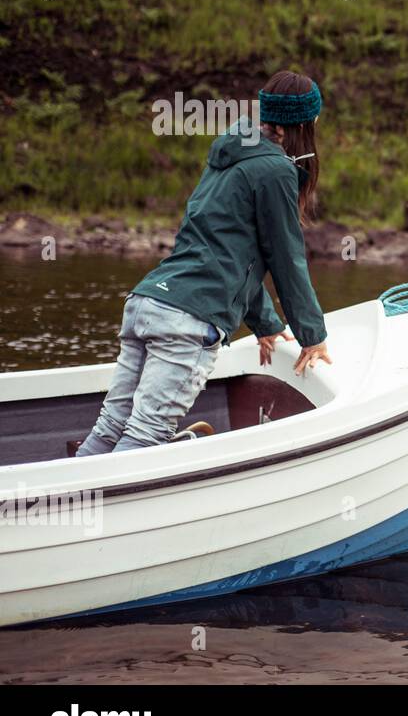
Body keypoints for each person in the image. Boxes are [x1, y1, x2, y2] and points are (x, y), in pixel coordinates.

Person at [75, 70, 332, 456]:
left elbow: (229, 253)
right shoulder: (276, 169)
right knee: (145, 436)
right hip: (189, 319)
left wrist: (266, 325)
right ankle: (95, 511)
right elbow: (285, 258)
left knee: (112, 425)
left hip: (147, 302)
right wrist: (312, 335)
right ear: (306, 121)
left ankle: (74, 499)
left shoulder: (232, 152)